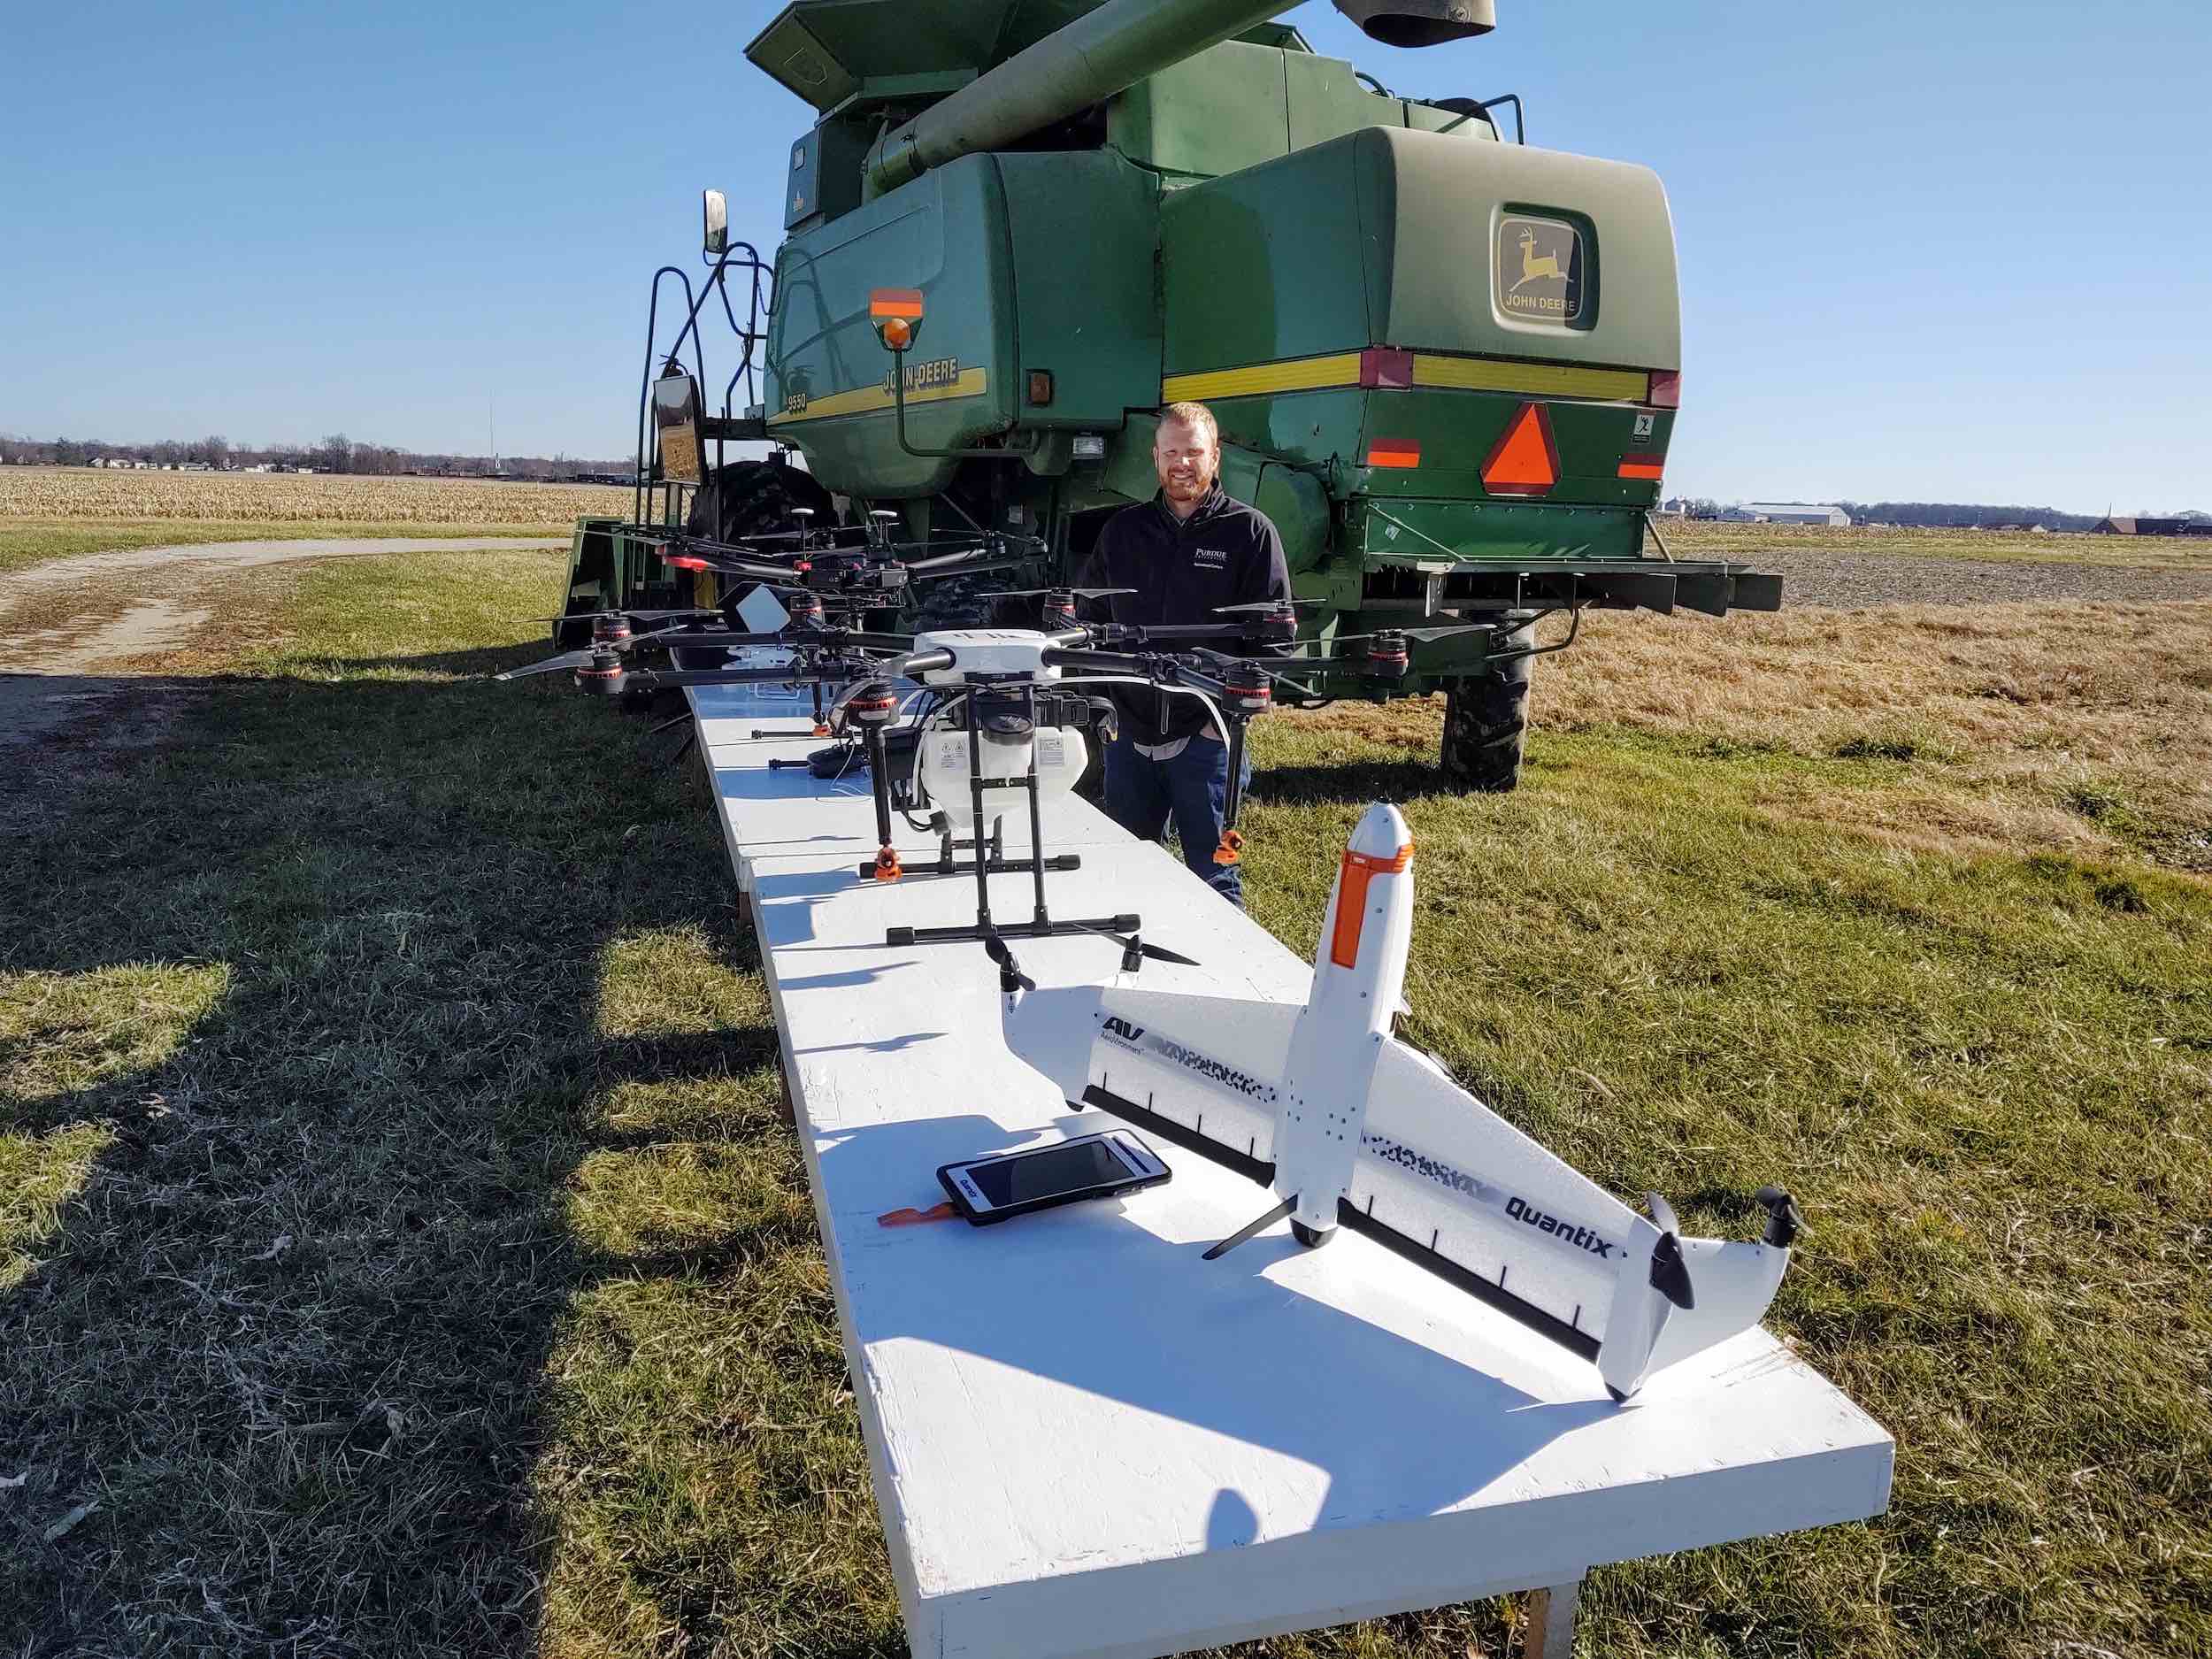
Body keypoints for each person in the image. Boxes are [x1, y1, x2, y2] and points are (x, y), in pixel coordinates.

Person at [1079, 402, 1290, 908]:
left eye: (1194, 452)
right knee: (1127, 870)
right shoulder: (1123, 531)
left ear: (1215, 458)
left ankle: (1218, 976)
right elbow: (1086, 625)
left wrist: (1225, 720)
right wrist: (1100, 706)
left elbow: (1276, 642)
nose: (1182, 463)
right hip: (1129, 735)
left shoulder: (1251, 533)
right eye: (1171, 451)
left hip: (1207, 737)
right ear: (1155, 457)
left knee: (1215, 877)